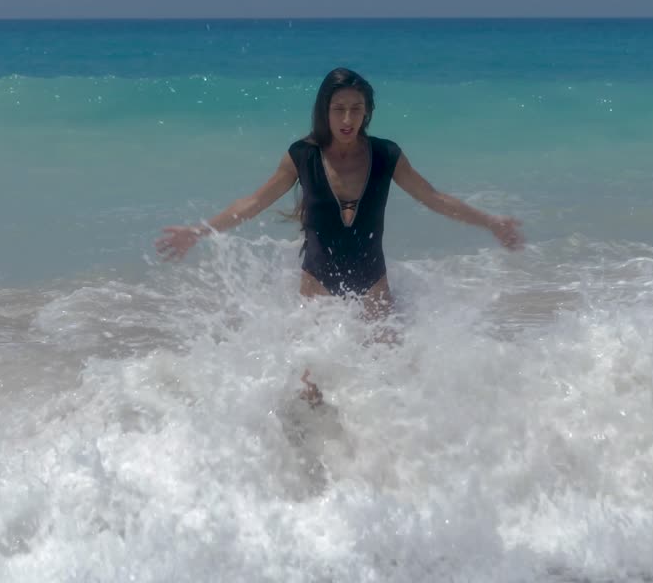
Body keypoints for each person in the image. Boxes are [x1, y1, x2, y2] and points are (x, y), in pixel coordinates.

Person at [155, 67, 523, 404]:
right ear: (324, 111)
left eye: (356, 108)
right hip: (317, 287)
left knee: (388, 386)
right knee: (309, 390)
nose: (347, 119)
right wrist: (198, 232)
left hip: (373, 289)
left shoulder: (386, 155)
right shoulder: (302, 156)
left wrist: (490, 222)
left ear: (367, 112)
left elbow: (434, 197)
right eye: (339, 109)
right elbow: (254, 202)